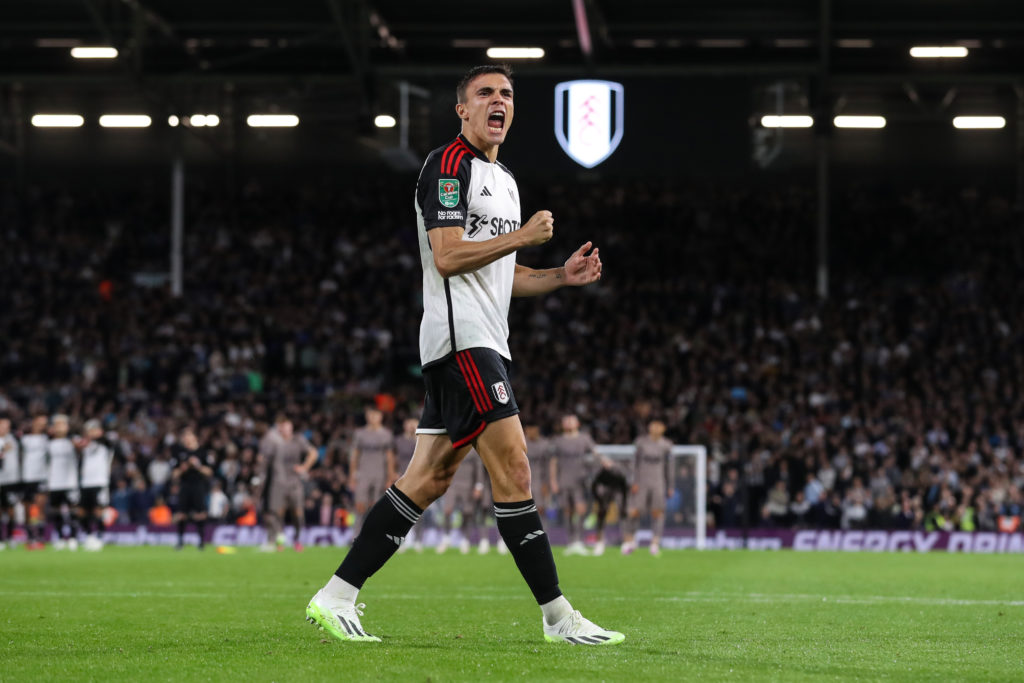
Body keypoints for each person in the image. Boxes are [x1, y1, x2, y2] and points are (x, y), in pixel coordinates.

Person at [305, 64, 622, 646]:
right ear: (463, 109)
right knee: (516, 466)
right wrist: (522, 236)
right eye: (485, 94)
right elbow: (449, 256)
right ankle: (558, 617)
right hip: (461, 341)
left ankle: (336, 595)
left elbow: (504, 274)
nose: (498, 102)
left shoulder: (506, 181)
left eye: (506, 94)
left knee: (427, 478)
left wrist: (558, 275)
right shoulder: (446, 166)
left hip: (485, 338)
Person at [259, 415, 318, 551]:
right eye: (281, 426)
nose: (284, 428)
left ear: (291, 426)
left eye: (286, 425)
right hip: (277, 483)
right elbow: (264, 459)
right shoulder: (274, 442)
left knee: (297, 513)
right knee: (277, 513)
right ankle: (279, 541)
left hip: (294, 483)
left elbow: (313, 453)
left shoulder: (298, 440)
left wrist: (305, 467)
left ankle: (297, 539)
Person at [622, 420, 673, 556]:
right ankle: (629, 541)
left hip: (658, 483)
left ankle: (655, 544)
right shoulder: (641, 442)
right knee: (633, 511)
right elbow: (634, 463)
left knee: (658, 513)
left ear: (663, 429)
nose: (656, 428)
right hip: (641, 482)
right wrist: (633, 481)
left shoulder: (666, 445)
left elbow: (669, 468)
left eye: (659, 426)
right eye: (653, 426)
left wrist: (670, 485)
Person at [550, 414, 598, 555]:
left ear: (577, 424)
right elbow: (553, 462)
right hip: (564, 480)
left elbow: (595, 453)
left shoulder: (585, 438)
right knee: (567, 511)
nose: (569, 423)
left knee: (581, 509)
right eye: (566, 421)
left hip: (580, 480)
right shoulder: (558, 441)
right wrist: (553, 480)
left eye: (572, 421)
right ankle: (571, 542)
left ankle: (579, 541)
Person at [349, 407, 396, 529]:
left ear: (381, 416)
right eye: (370, 414)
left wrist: (390, 478)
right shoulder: (359, 433)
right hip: (363, 474)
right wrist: (352, 477)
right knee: (359, 506)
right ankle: (356, 537)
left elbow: (390, 458)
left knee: (377, 508)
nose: (373, 417)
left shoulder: (386, 434)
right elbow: (354, 456)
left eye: (376, 415)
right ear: (367, 416)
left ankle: (374, 537)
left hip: (380, 475)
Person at [172, 427, 215, 550]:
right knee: (181, 514)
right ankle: (180, 541)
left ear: (194, 438)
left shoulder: (203, 452)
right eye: (184, 437)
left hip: (198, 485)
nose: (186, 439)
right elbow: (174, 474)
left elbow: (209, 472)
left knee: (200, 514)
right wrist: (184, 467)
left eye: (188, 436)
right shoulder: (180, 453)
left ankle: (201, 541)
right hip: (184, 485)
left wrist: (197, 465)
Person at [76, 419, 114, 551]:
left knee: (98, 510)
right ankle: (89, 535)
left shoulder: (106, 443)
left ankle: (100, 536)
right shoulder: (85, 444)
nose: (91, 432)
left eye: (94, 429)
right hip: (86, 481)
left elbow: (107, 442)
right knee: (82, 511)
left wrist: (95, 436)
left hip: (100, 481)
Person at [434, 449, 481, 554]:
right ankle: (446, 538)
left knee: (467, 513)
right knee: (447, 510)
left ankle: (465, 540)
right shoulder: (451, 446)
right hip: (452, 485)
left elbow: (478, 467)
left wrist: (478, 485)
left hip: (468, 485)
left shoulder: (473, 449)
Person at [46, 415, 80, 550]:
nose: (59, 427)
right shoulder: (48, 443)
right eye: (57, 425)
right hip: (54, 482)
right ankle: (60, 537)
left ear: (67, 427)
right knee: (56, 512)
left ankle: (73, 537)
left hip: (70, 482)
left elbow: (81, 448)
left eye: (62, 424)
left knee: (73, 511)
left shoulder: (73, 440)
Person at [392, 418, 422, 552]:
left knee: (418, 511)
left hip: (419, 478)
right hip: (402, 478)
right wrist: (393, 474)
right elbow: (393, 458)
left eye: (413, 424)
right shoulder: (398, 441)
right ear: (404, 425)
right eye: (408, 424)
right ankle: (400, 540)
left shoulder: (422, 440)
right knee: (400, 511)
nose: (411, 427)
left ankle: (417, 540)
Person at [19, 415, 49, 549]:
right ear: (33, 423)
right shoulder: (24, 439)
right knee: (27, 509)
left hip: (41, 477)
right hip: (26, 477)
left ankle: (40, 537)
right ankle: (30, 536)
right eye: (39, 422)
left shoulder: (47, 439)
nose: (41, 425)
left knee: (39, 506)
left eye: (44, 423)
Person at [590, 457, 630, 556]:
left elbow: (624, 488)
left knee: (623, 515)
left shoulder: (618, 473)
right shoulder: (600, 473)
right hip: (605, 493)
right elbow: (594, 487)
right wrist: (599, 502)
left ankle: (626, 543)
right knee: (601, 515)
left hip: (618, 491)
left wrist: (624, 505)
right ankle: (599, 543)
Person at [0, 416, 20, 549]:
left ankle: (12, 537)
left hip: (12, 480)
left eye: (7, 425)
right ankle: (1, 539)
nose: (5, 427)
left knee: (12, 509)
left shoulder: (14, 439)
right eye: (2, 425)